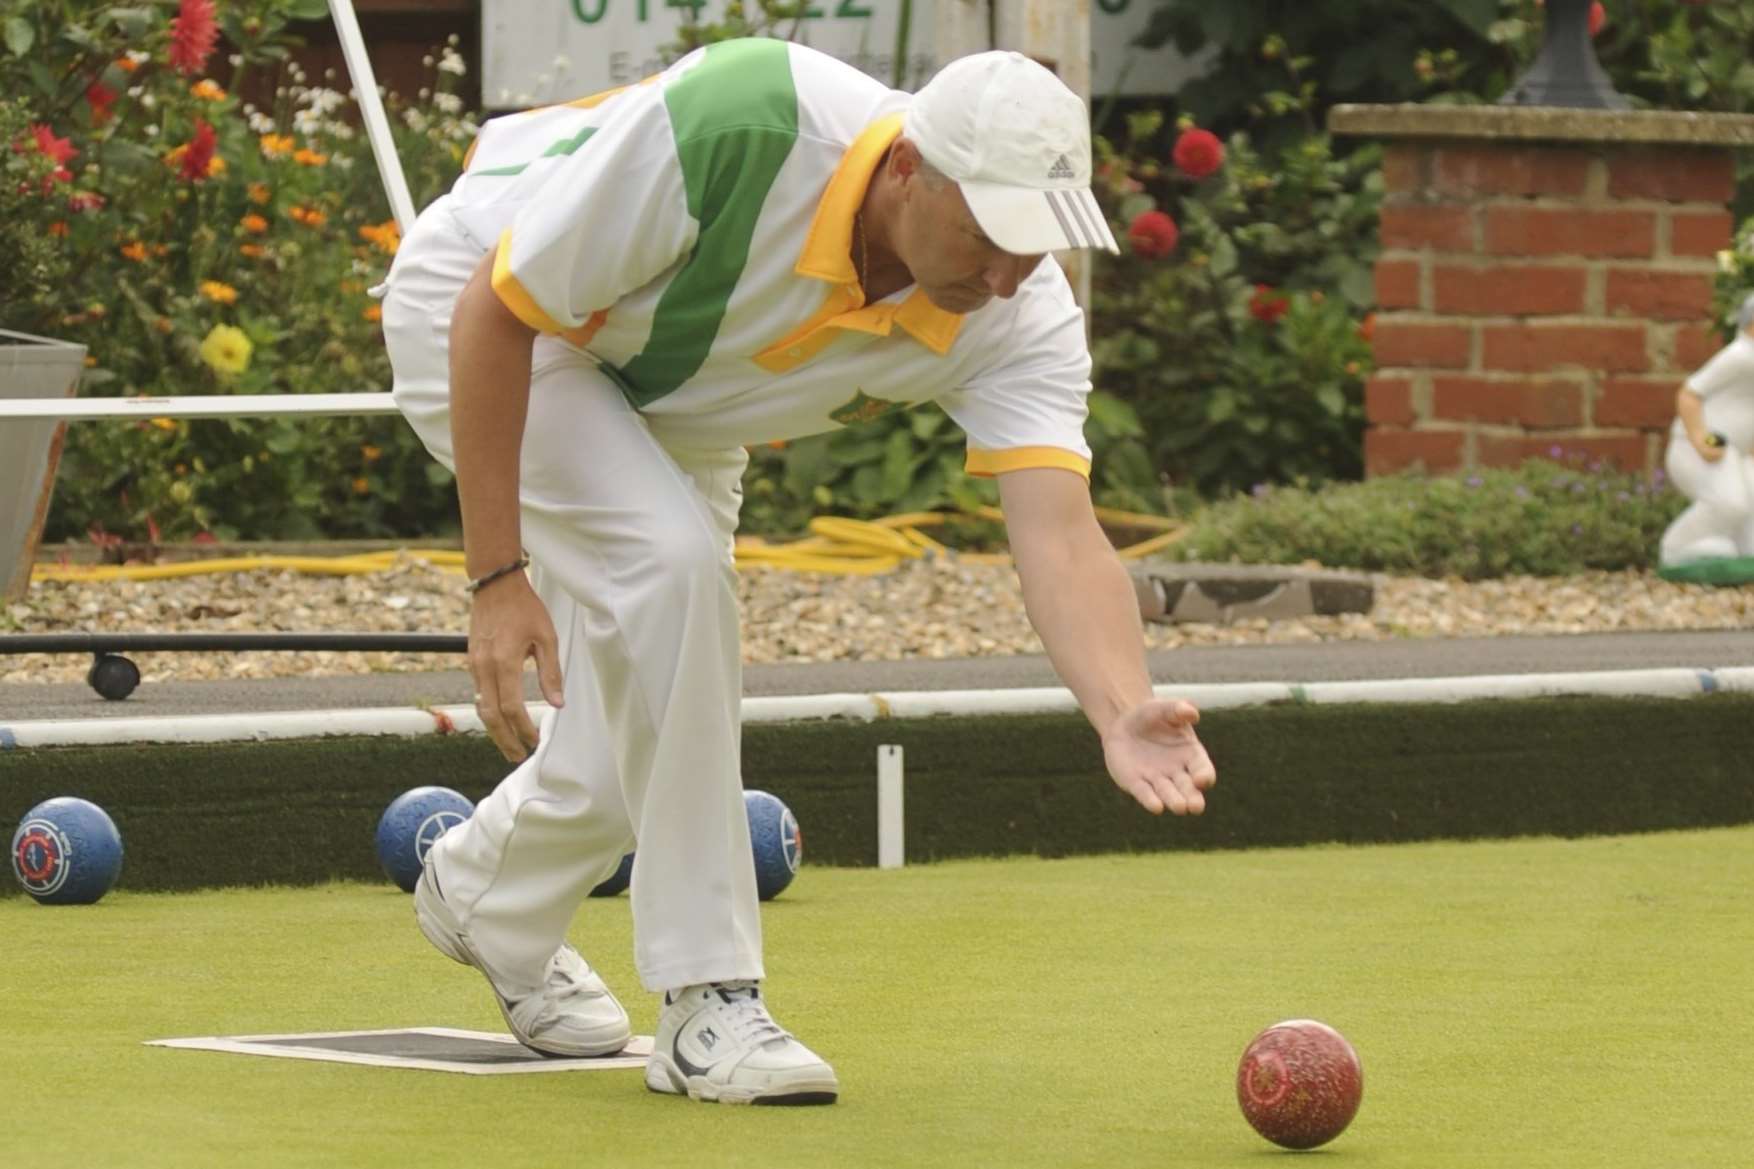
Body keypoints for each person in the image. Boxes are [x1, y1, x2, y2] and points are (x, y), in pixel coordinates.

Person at [379, 39, 1218, 1107]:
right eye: (993, 234)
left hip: (672, 389)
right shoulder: (745, 123)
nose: (1010, 274)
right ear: (909, 168)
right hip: (488, 306)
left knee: (656, 669)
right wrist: (496, 575)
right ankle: (704, 995)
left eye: (1038, 240)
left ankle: (488, 889)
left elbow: (1057, 531)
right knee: (674, 573)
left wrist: (1119, 706)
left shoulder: (1018, 313)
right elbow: (497, 312)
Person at [1662, 292, 1754, 568]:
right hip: (1707, 447)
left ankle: (1743, 550)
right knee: (1730, 503)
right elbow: (1690, 393)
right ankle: (1677, 547)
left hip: (1737, 452)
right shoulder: (1740, 357)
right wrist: (1700, 438)